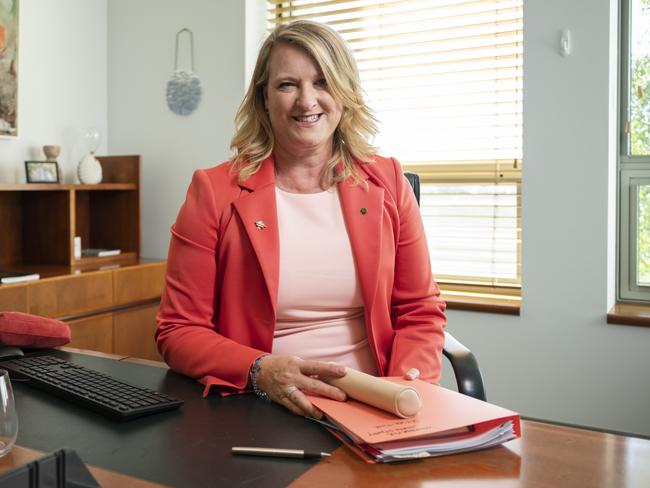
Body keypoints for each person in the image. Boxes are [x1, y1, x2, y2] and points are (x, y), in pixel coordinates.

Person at [156, 20, 446, 419]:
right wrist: (258, 370)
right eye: (288, 84)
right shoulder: (214, 191)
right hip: (264, 405)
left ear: (345, 93)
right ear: (264, 98)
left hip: (374, 401)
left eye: (322, 82)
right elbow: (178, 331)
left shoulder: (389, 181)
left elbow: (419, 310)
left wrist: (399, 391)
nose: (306, 101)